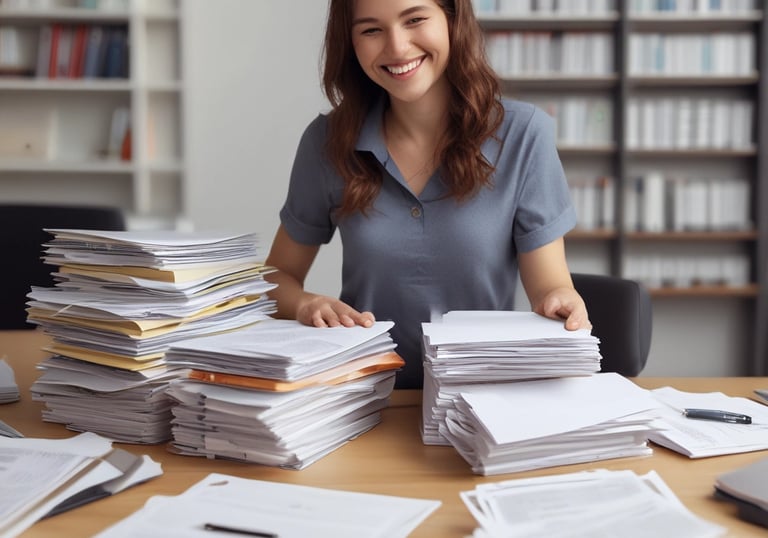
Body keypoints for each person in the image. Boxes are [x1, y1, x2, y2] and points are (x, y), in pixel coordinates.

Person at [264, 0, 591, 389]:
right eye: (371, 30)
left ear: (453, 19)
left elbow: (550, 286)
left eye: (415, 19)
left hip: (482, 395)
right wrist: (305, 304)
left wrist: (562, 299)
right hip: (364, 398)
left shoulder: (523, 135)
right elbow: (276, 279)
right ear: (350, 42)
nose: (397, 47)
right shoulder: (327, 142)